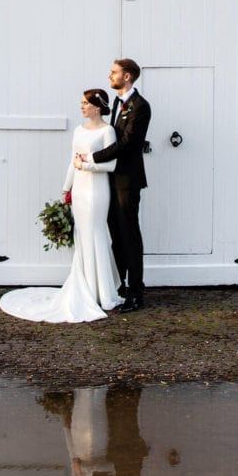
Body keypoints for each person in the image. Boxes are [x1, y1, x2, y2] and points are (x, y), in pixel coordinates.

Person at [0, 89, 121, 324]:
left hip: (97, 190)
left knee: (95, 233)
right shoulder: (78, 130)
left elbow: (111, 165)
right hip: (80, 190)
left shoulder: (108, 131)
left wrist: (85, 166)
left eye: (86, 103)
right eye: (82, 103)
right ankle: (85, 285)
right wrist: (67, 187)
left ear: (97, 106)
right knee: (81, 235)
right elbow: (71, 161)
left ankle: (102, 292)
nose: (82, 107)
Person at [82, 59, 151, 312]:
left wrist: (92, 158)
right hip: (110, 179)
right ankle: (118, 287)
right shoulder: (116, 105)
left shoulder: (141, 106)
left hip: (127, 181)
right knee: (116, 235)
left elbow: (128, 143)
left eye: (114, 73)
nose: (110, 75)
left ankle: (136, 293)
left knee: (130, 235)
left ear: (127, 77)